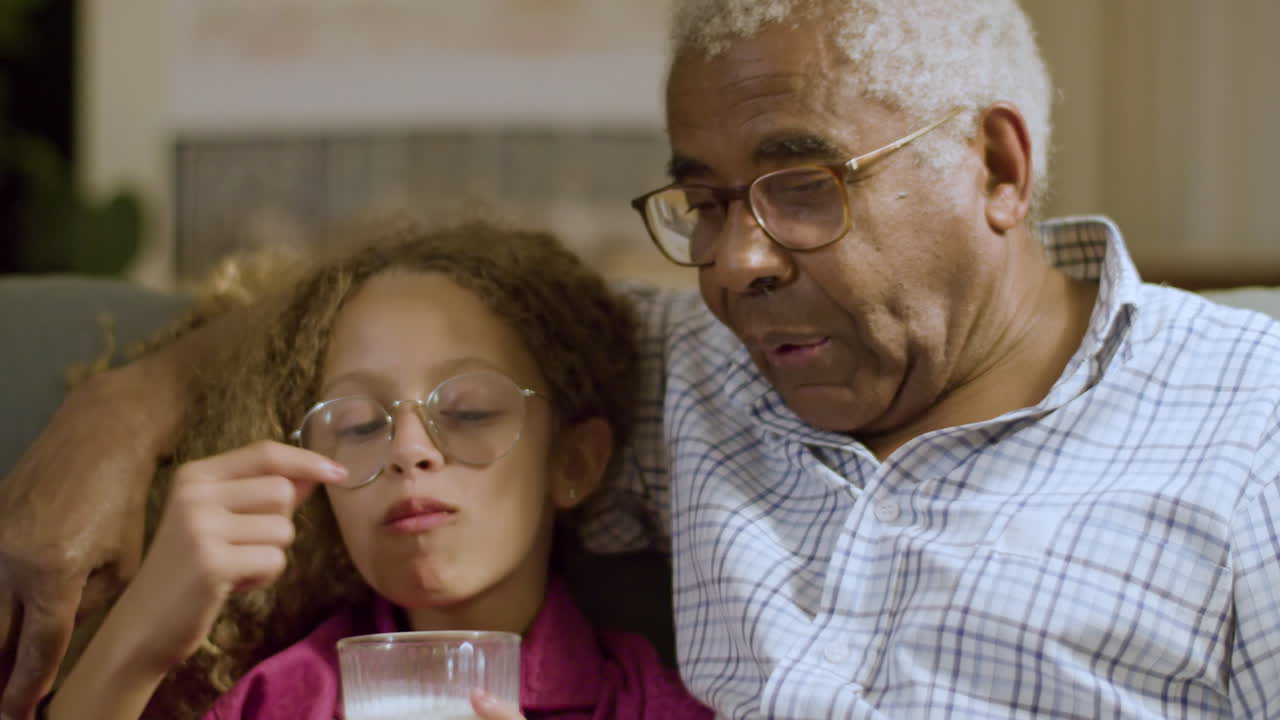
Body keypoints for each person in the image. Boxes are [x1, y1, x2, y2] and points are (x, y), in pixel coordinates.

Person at [3, 0, 1280, 718]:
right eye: (705, 201)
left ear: (994, 167)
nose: (731, 268)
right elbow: (426, 322)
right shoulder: (697, 367)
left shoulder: (1249, 429)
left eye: (799, 185)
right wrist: (125, 402)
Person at [38, 223, 712, 720]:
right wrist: (139, 637)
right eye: (359, 425)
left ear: (573, 462)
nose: (408, 449)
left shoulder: (647, 703)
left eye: (470, 411)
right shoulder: (283, 699)